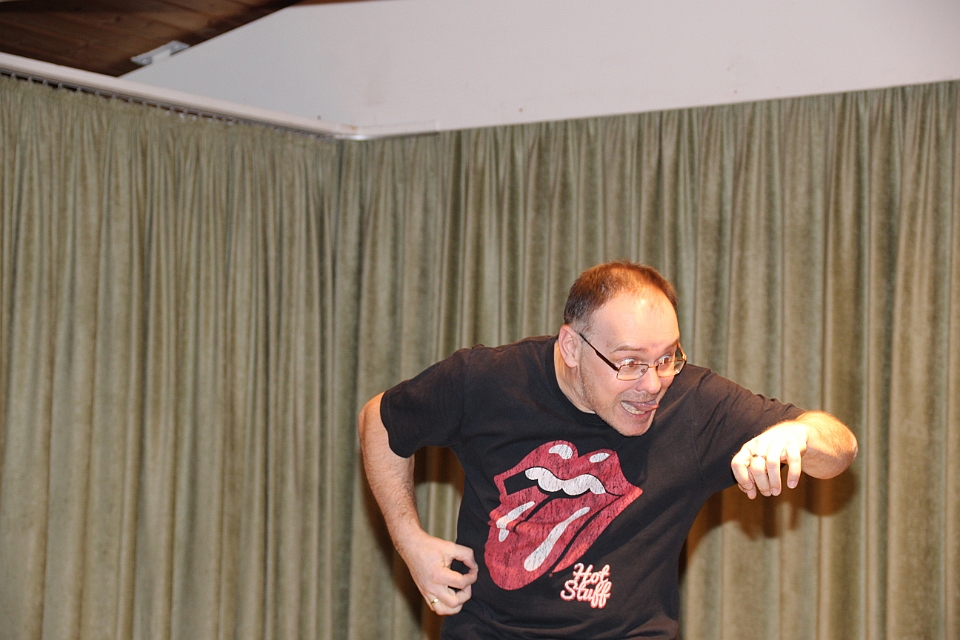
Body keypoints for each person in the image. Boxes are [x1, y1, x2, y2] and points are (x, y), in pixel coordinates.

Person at [358, 261, 858, 639]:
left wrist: (798, 436)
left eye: (667, 358)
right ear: (572, 348)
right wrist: (410, 542)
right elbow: (379, 418)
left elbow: (840, 447)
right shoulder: (487, 381)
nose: (652, 384)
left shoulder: (693, 406)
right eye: (629, 363)